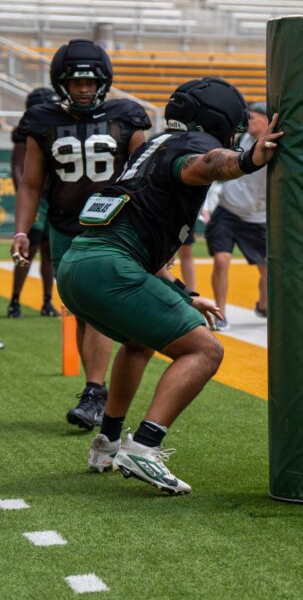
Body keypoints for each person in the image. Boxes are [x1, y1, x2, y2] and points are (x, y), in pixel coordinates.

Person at [55, 77, 282, 494]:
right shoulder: (191, 148)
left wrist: (184, 293)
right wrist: (249, 159)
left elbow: (138, 241)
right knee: (205, 349)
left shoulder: (153, 145)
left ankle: (107, 441)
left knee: (139, 342)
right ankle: (144, 446)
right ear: (217, 120)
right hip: (110, 267)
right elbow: (208, 164)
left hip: (78, 265)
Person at [11, 39, 151, 431]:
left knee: (99, 307)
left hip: (116, 227)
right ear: (62, 84)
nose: (84, 89)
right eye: (76, 83)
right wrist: (22, 229)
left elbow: (145, 180)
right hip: (66, 226)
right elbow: (31, 184)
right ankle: (97, 391)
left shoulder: (128, 116)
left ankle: (93, 391)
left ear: (104, 83)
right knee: (81, 309)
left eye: (90, 83)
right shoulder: (43, 120)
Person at [204, 101, 270, 331]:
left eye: (253, 117)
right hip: (228, 211)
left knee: (268, 270)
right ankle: (220, 315)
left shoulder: (276, 147)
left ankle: (263, 306)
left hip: (257, 217)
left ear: (266, 120)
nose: (248, 121)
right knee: (222, 260)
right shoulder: (241, 139)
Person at [8, 88, 60, 319]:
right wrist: (28, 196)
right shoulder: (26, 131)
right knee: (30, 248)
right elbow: (19, 168)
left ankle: (47, 301)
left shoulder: (56, 128)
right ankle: (15, 301)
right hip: (38, 199)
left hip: (54, 196)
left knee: (50, 252)